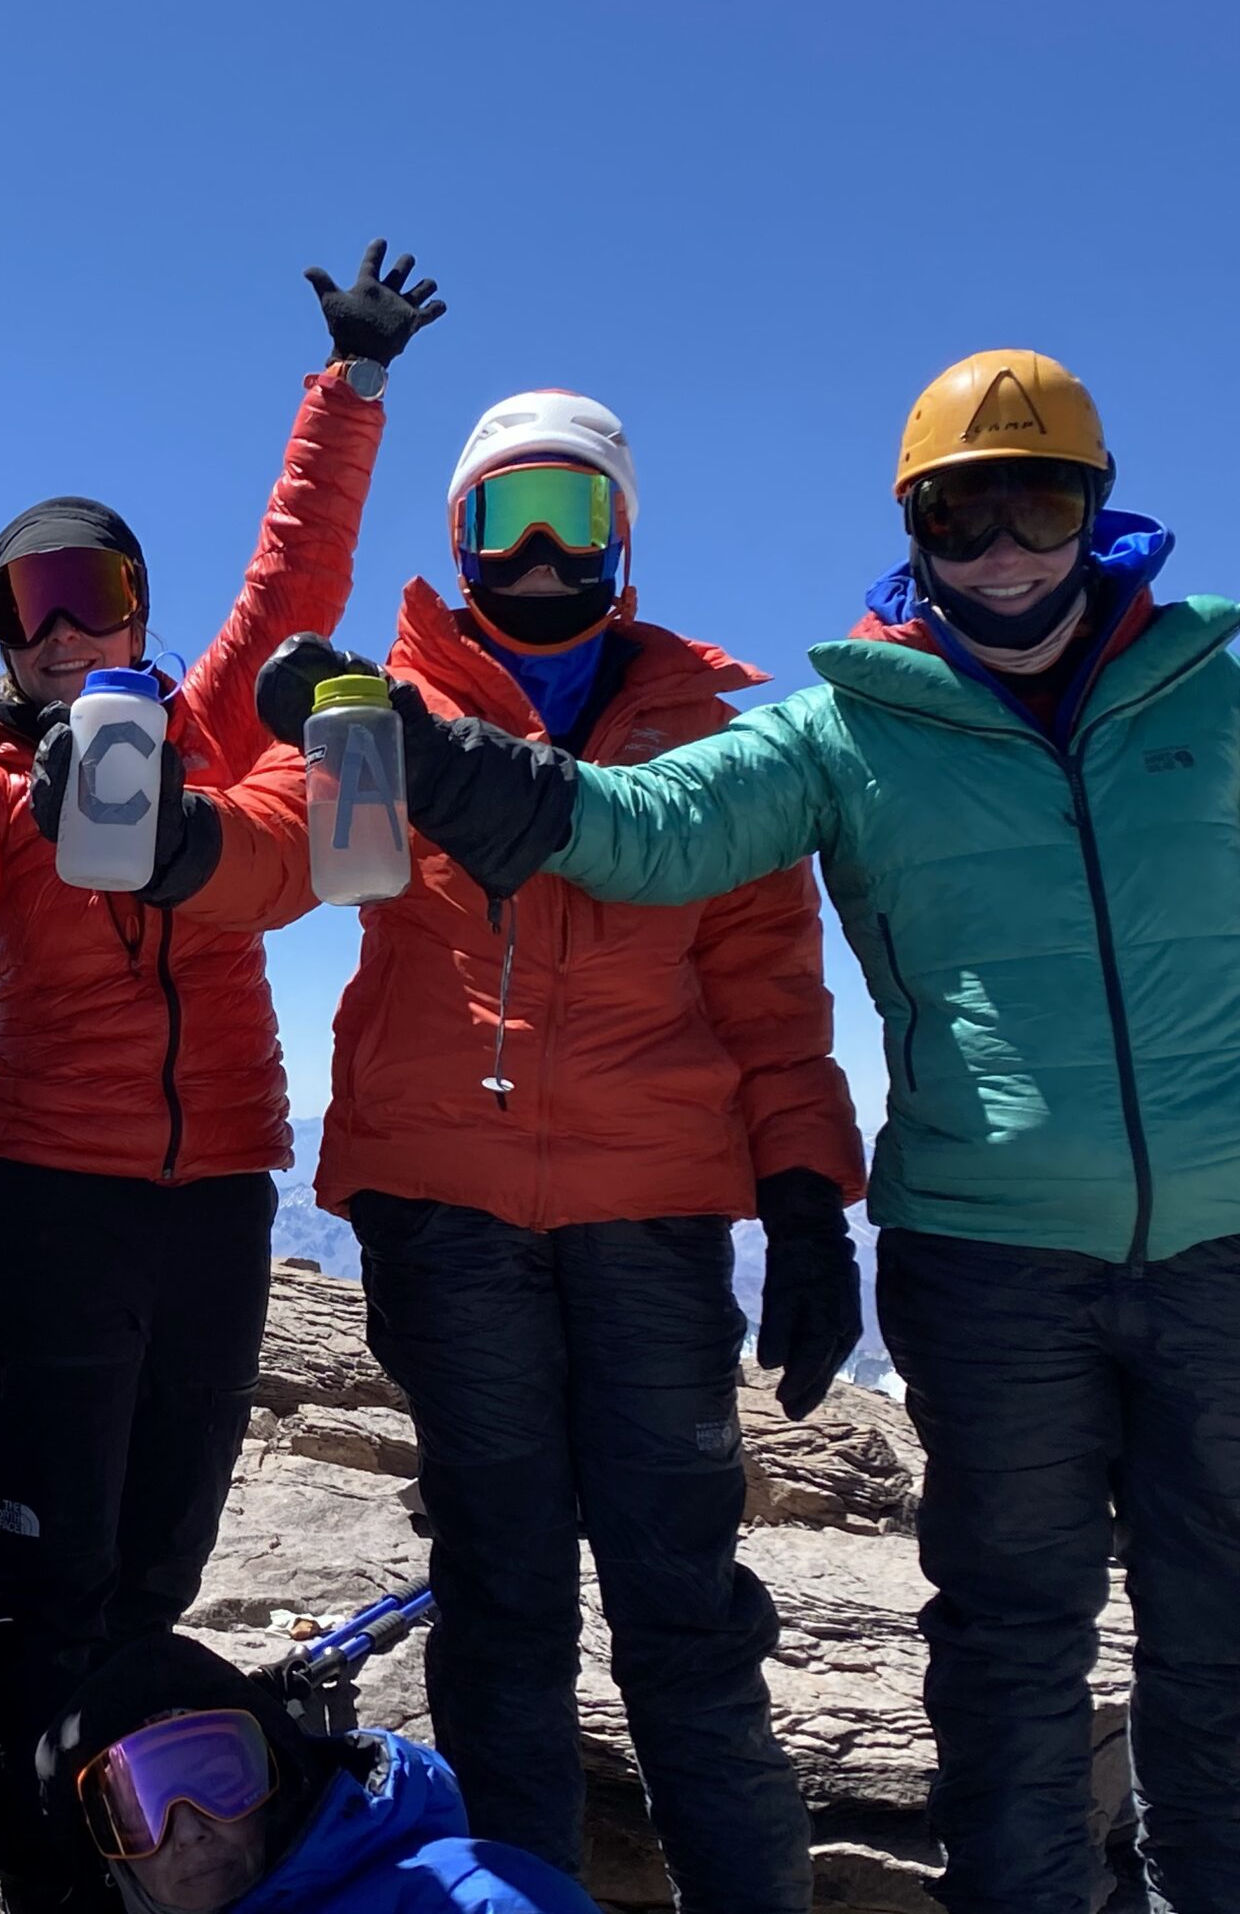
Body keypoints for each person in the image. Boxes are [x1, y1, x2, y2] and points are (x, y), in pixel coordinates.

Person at [353, 349, 1240, 1912]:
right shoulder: (843, 729)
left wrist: (803, 1196)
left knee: (1222, 1633)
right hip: (991, 1257)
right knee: (1013, 1640)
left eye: (1042, 504)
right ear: (915, 526)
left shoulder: (1218, 689)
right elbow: (639, 831)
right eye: (963, 515)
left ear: (1102, 510)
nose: (1006, 550)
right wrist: (420, 758)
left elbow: (758, 990)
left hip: (1225, 1246)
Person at [0, 241, 434, 1912]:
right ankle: (41, 1864)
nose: (62, 632)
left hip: (216, 1206)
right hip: (46, 1206)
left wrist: (354, 385)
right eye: (29, 611)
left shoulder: (202, 732)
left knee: (161, 1568)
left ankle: (133, 1843)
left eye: (92, 596)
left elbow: (299, 568)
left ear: (135, 611)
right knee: (48, 1585)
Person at [252, 392, 865, 1907]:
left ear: (625, 538)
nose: (534, 551)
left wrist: (805, 1201)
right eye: (501, 516)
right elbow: (280, 852)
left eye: (571, 515)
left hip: (654, 1219)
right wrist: (214, 795)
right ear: (457, 540)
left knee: (685, 1613)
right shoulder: (376, 709)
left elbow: (775, 996)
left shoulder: (710, 746)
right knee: (505, 1595)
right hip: (447, 1210)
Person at [36, 1632, 602, 1914]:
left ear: (281, 1775)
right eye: (138, 1813)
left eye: (217, 1779)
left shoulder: (470, 1896)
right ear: (105, 1854)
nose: (188, 1831)